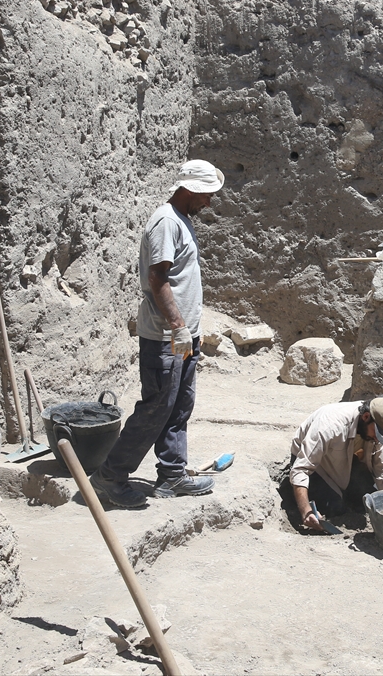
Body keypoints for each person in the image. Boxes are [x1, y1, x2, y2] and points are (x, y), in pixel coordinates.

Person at [89, 160, 224, 508]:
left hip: (183, 336)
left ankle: (171, 474)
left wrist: (188, 331)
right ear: (190, 189)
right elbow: (158, 278)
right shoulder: (165, 221)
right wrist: (178, 327)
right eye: (206, 195)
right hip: (166, 336)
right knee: (156, 408)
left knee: (180, 405)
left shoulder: (182, 220)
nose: (208, 203)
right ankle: (110, 476)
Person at [287, 398, 383, 532]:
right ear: (366, 416)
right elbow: (301, 469)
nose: (377, 439)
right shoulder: (329, 426)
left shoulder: (378, 424)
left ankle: (341, 491)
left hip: (345, 460)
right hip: (315, 465)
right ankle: (290, 492)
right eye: (377, 435)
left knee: (368, 499)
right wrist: (306, 510)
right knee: (335, 507)